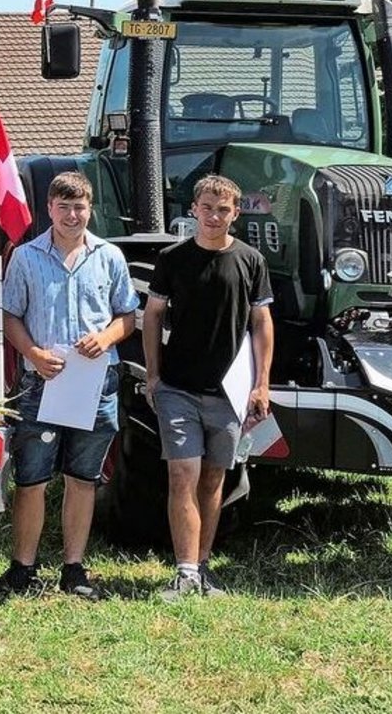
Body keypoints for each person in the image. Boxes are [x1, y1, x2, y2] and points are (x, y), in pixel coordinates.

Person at [0, 172, 137, 600]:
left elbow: (127, 316)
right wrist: (33, 354)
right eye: (63, 207)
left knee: (83, 477)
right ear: (49, 210)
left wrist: (107, 337)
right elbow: (11, 316)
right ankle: (23, 568)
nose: (72, 215)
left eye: (79, 208)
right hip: (42, 382)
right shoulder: (25, 257)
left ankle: (73, 569)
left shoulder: (110, 256)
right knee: (32, 478)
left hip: (96, 384)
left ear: (89, 208)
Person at [143, 174, 273, 600]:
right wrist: (153, 374)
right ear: (193, 210)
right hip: (177, 387)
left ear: (236, 214)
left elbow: (261, 323)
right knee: (183, 473)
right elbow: (153, 316)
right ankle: (184, 573)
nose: (214, 216)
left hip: (230, 394)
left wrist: (261, 384)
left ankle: (201, 567)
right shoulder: (172, 258)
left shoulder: (251, 261)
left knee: (214, 479)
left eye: (223, 209)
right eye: (207, 207)